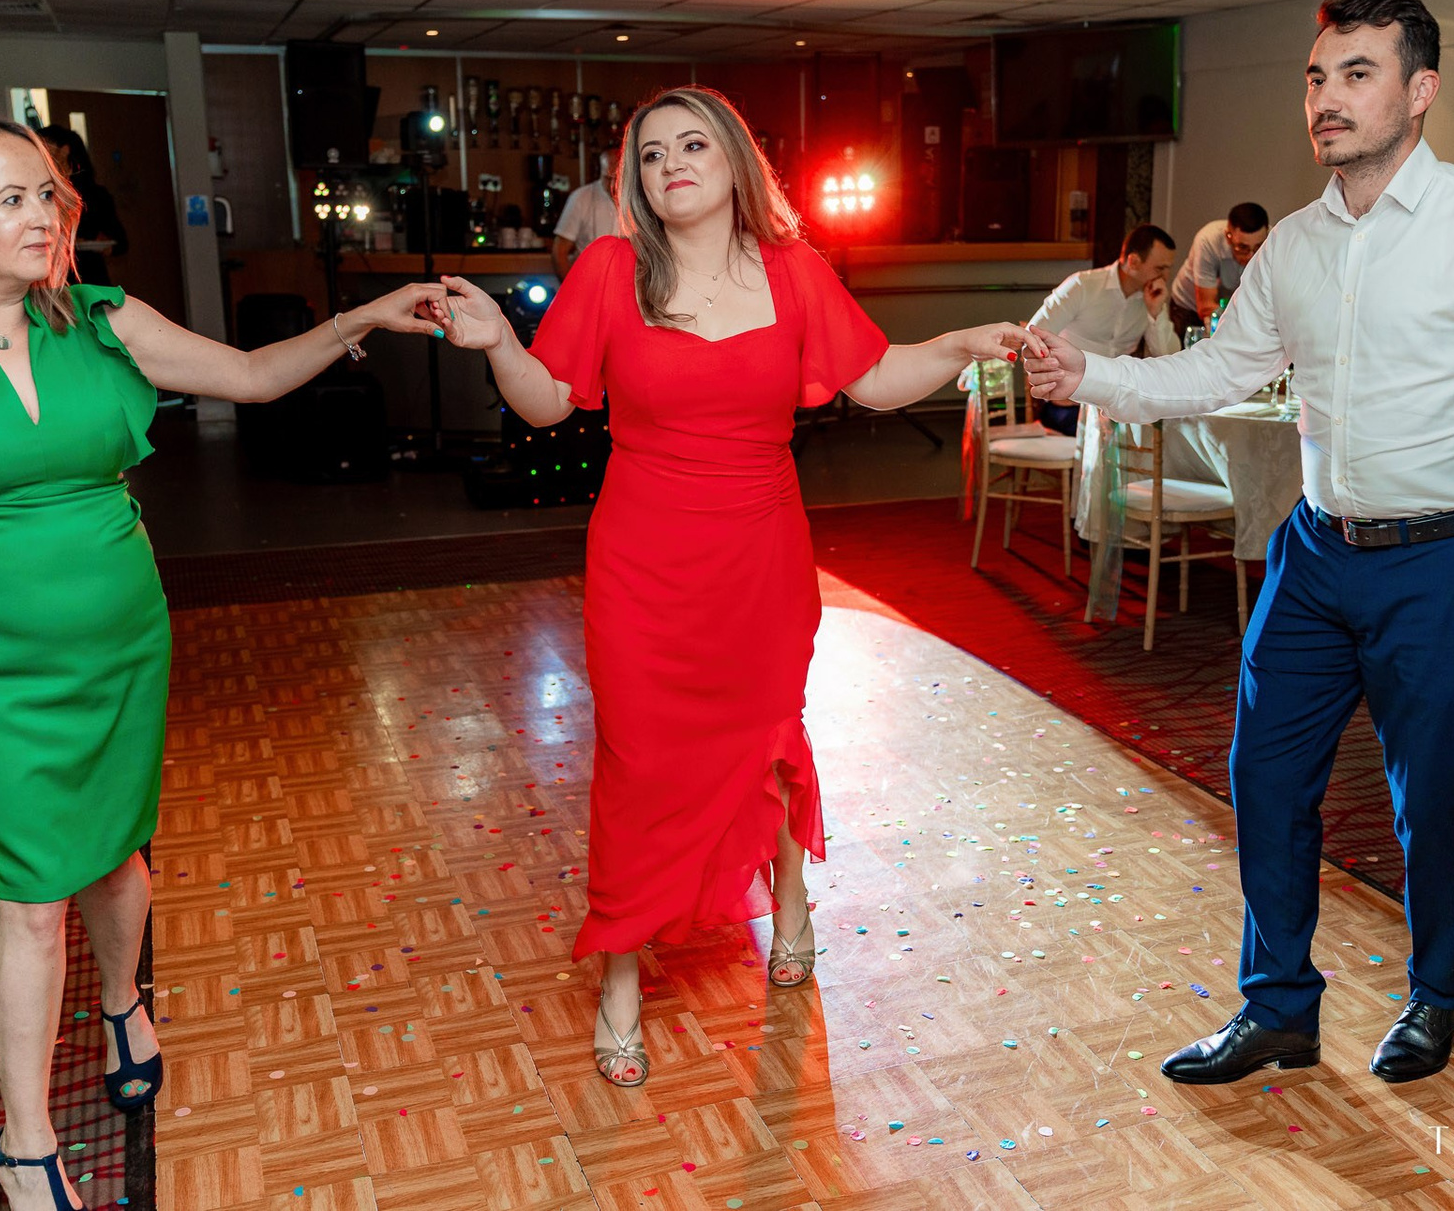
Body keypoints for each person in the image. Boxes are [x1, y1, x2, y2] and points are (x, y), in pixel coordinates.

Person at [1022, 0, 1454, 1086]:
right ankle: (1277, 1006)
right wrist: (1091, 373)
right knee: (1265, 778)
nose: (1326, 96)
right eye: (1318, 76)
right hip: (1316, 555)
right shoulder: (1296, 244)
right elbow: (1218, 370)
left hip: (1446, 559)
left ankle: (1439, 995)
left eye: (1358, 73)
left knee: (1431, 799)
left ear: (1421, 92)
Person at [0, 110, 446, 1211]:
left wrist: (361, 316)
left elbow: (252, 374)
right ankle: (26, 1144)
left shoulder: (102, 319)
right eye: (11, 197)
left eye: (47, 193)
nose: (43, 214)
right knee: (31, 895)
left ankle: (124, 999)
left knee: (117, 853)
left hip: (120, 637)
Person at [428, 86, 1034, 1090]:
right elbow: (546, 403)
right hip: (642, 560)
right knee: (636, 760)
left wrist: (962, 345)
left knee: (766, 733)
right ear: (634, 179)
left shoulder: (795, 272)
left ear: (735, 161)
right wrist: (498, 341)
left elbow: (873, 376)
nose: (672, 162)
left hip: (760, 556)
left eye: (693, 144)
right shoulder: (610, 268)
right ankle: (621, 973)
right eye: (651, 151)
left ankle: (789, 896)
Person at [1026, 223, 1177, 434]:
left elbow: (1170, 357)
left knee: (1169, 429)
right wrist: (1055, 384)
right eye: (1160, 269)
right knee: (1123, 435)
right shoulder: (1082, 285)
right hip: (1070, 404)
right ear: (1133, 261)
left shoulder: (1154, 297)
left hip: (1118, 404)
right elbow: (1033, 335)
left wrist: (1155, 313)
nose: (1166, 277)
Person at [35, 124, 126, 287]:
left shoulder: (94, 195)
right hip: (53, 281)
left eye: (45, 146)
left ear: (64, 150)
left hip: (90, 277)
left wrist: (104, 245)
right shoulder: (41, 191)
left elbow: (121, 242)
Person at [1169, 201, 1270, 336]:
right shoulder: (1208, 241)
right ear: (1228, 236)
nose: (1251, 256)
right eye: (1242, 247)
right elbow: (1206, 306)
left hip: (1230, 312)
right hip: (1189, 308)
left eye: (1258, 247)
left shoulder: (1274, 241)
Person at [551, 148, 619, 279]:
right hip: (588, 280)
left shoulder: (641, 198)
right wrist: (571, 287)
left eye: (618, 178)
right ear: (599, 172)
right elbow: (559, 251)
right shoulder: (581, 197)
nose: (612, 185)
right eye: (607, 178)